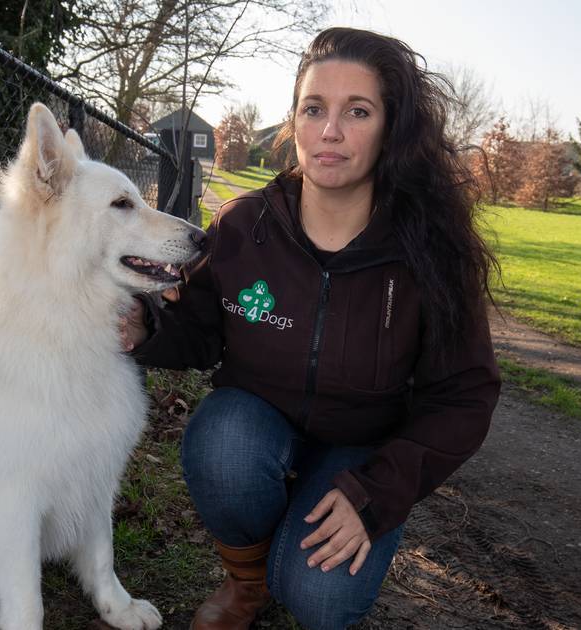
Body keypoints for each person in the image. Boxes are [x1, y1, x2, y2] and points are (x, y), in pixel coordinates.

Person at [121, 27, 502, 630]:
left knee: (321, 601)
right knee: (222, 445)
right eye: (314, 109)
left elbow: (463, 396)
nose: (330, 131)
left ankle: (297, 542)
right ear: (293, 123)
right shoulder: (246, 226)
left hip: (361, 449)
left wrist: (375, 493)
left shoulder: (431, 251)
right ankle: (247, 585)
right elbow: (197, 330)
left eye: (358, 111)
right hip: (255, 424)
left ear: (390, 129)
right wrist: (144, 326)